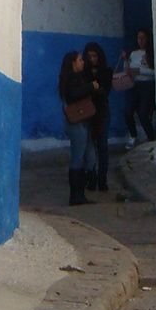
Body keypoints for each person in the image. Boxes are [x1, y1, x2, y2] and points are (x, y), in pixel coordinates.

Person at [58, 49, 96, 206]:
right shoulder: (69, 79)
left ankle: (82, 191)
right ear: (73, 63)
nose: (83, 62)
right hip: (76, 122)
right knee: (78, 157)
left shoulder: (79, 77)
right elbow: (73, 95)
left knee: (90, 156)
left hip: (83, 121)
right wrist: (90, 87)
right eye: (80, 60)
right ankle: (76, 195)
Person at [82, 41, 112, 191]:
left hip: (102, 112)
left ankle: (102, 179)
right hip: (88, 112)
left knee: (102, 146)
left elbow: (105, 91)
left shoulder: (106, 72)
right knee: (89, 147)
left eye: (94, 56)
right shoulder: (84, 73)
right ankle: (91, 177)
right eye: (89, 56)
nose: (92, 59)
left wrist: (93, 88)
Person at [122, 29, 156, 144]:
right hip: (135, 85)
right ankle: (133, 135)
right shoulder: (133, 53)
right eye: (138, 38)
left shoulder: (151, 53)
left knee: (143, 114)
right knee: (128, 112)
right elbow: (127, 70)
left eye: (143, 38)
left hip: (148, 85)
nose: (140, 40)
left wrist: (137, 71)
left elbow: (154, 72)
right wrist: (125, 60)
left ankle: (151, 138)